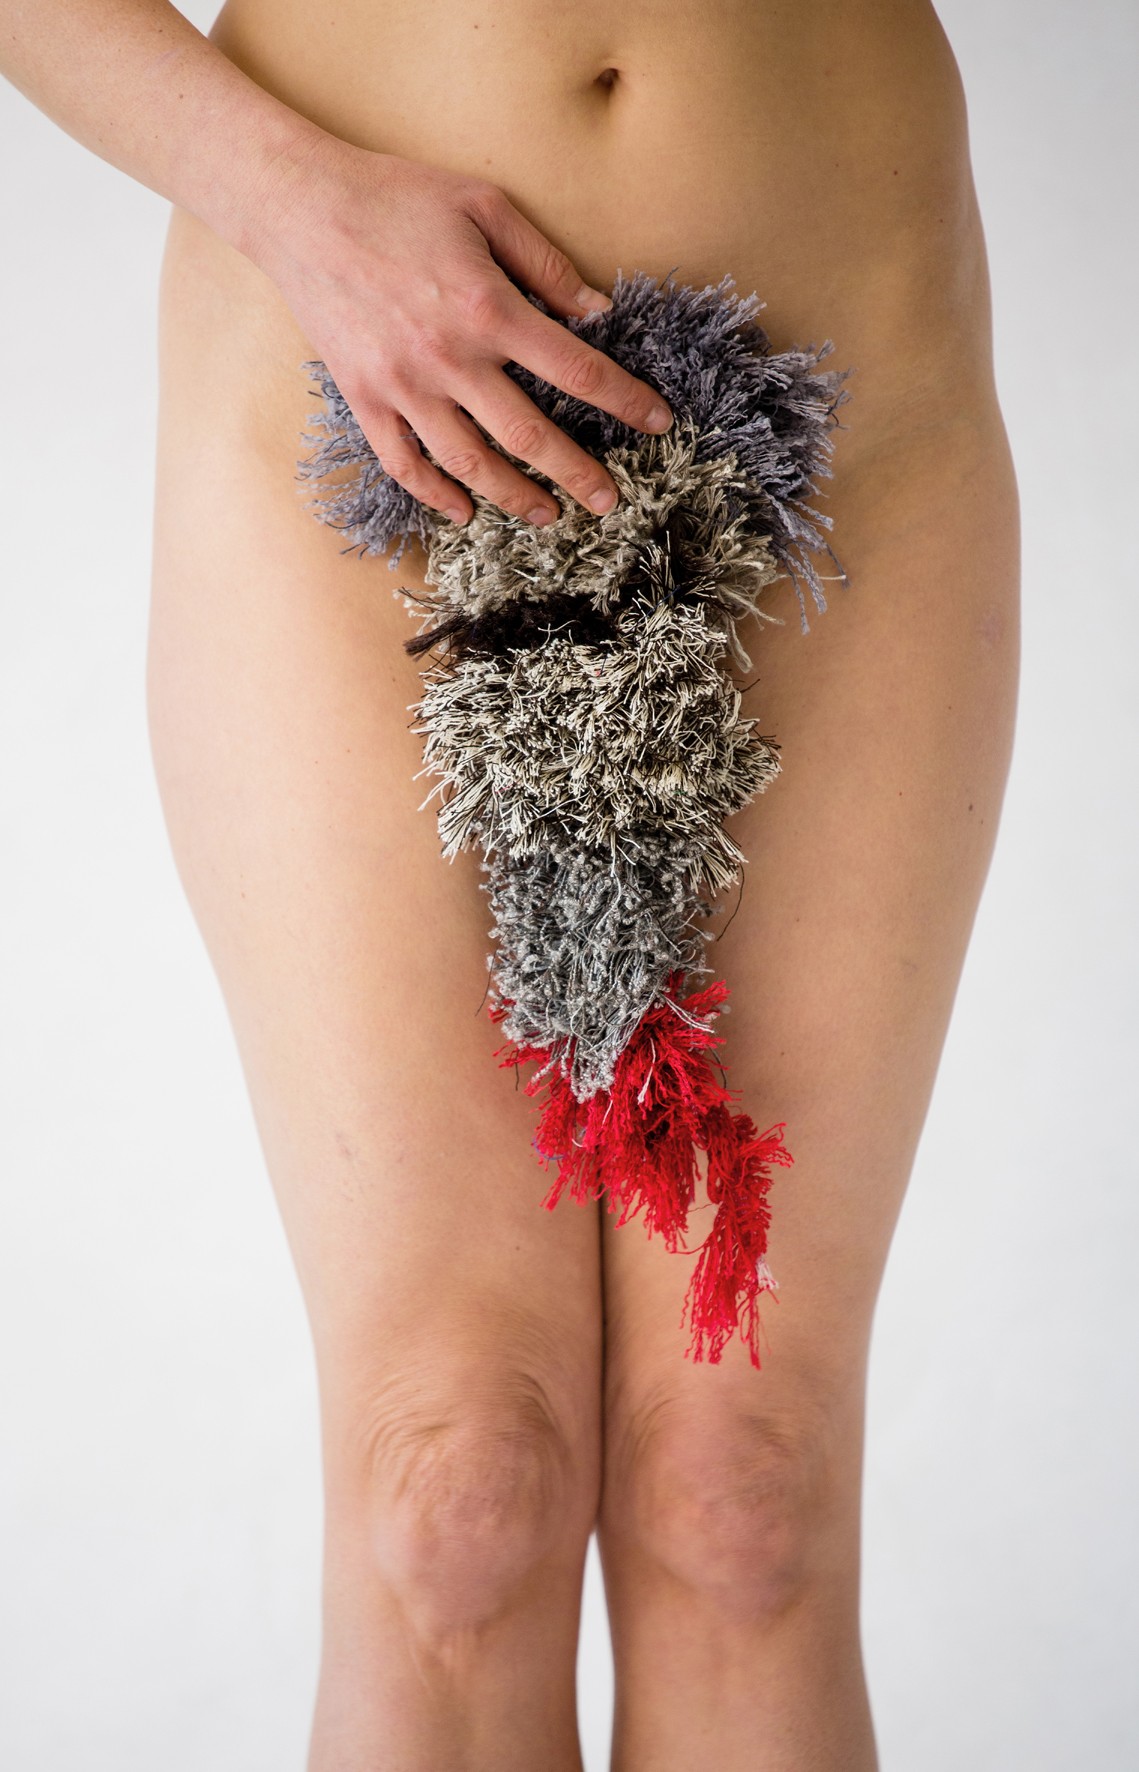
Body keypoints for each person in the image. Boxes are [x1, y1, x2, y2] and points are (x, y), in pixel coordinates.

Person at [1, 1, 1021, 1766]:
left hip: (837, 404)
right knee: (455, 1485)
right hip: (348, 395)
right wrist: (280, 191)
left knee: (745, 1491)